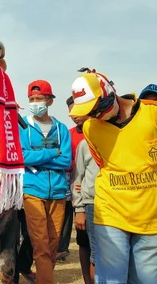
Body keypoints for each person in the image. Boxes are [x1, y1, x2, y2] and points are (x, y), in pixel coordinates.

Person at [69, 71, 157, 283]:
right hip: (111, 213)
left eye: (97, 108)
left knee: (146, 279)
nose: (95, 116)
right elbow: (103, 163)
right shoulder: (91, 128)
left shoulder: (152, 114)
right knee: (111, 279)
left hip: (150, 214)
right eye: (89, 113)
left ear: (109, 92)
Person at [20, 80, 72, 284]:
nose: (35, 103)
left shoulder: (61, 129)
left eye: (39, 98)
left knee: (53, 244)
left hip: (58, 192)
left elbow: (66, 160)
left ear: (49, 101)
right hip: (32, 190)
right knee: (40, 243)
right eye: (31, 99)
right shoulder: (23, 126)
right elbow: (23, 156)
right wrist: (52, 152)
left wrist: (38, 155)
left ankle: (44, 278)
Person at [67, 96, 97, 284]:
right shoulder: (81, 142)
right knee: (87, 245)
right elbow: (77, 173)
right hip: (90, 203)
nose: (75, 116)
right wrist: (79, 207)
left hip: (116, 202)